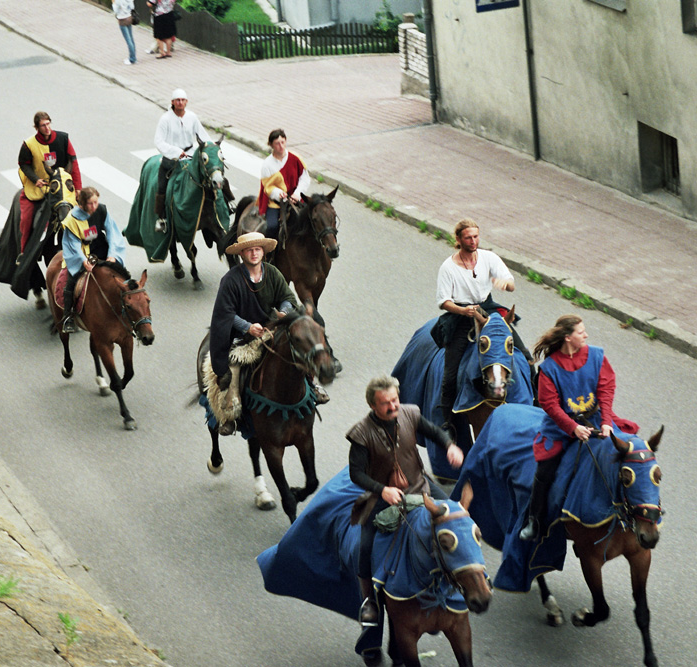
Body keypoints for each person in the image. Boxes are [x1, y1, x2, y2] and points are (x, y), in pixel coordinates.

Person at [347, 375, 464, 629]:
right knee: (364, 546)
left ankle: (465, 575)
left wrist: (449, 446)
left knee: (457, 516)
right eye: (385, 403)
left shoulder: (410, 414)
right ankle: (369, 601)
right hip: (383, 495)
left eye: (395, 400)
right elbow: (355, 474)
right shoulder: (361, 433)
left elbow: (433, 432)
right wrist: (383, 490)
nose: (393, 406)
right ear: (372, 406)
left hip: (420, 485)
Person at [209, 232, 332, 435]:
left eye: (257, 249)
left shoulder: (272, 273)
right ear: (241, 253)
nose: (254, 253)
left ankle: (312, 385)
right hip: (242, 335)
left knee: (298, 347)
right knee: (235, 367)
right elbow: (225, 313)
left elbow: (286, 296)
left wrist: (284, 309)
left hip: (270, 327)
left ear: (263, 252)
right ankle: (232, 413)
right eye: (249, 250)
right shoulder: (230, 280)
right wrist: (247, 326)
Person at [518, 315, 615, 541]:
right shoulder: (549, 368)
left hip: (596, 420)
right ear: (568, 338)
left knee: (630, 451)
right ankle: (535, 520)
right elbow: (549, 405)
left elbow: (606, 389)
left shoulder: (597, 356)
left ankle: (642, 506)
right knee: (545, 471)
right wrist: (573, 428)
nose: (586, 335)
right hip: (561, 428)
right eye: (581, 332)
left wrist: (607, 422)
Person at [434, 218, 530, 439]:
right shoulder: (448, 268)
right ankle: (448, 422)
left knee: (524, 356)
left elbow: (510, 282)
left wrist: (505, 284)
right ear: (458, 239)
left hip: (489, 311)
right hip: (461, 316)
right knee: (449, 374)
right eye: (468, 237)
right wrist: (462, 311)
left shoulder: (489, 258)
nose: (473, 241)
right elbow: (443, 302)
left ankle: (533, 401)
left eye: (476, 236)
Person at [58, 188, 128, 333]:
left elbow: (112, 232)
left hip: (101, 249)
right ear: (82, 204)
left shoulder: (101, 210)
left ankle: (128, 304)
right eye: (90, 204)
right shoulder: (72, 219)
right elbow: (73, 244)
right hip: (82, 253)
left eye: (96, 202)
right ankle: (68, 316)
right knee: (71, 281)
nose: (94, 207)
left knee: (122, 273)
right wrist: (83, 261)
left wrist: (112, 254)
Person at [17, 111, 82, 255]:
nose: (47, 128)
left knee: (85, 211)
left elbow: (74, 163)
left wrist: (78, 188)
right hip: (41, 185)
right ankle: (25, 252)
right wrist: (35, 179)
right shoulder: (28, 144)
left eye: (48, 124)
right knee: (27, 217)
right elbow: (23, 164)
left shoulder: (63, 138)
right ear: (36, 128)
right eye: (43, 126)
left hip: (64, 185)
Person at [153, 88, 211, 225]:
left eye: (182, 100)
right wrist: (175, 151)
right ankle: (161, 218)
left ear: (186, 102)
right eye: (177, 100)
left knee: (211, 175)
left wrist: (212, 147)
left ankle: (222, 205)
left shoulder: (192, 117)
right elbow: (158, 141)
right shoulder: (165, 119)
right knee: (162, 186)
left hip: (191, 157)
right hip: (171, 159)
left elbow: (203, 135)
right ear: (172, 102)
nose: (180, 103)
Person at [257, 129, 310, 240]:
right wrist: (279, 194)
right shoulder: (267, 164)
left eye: (283, 142)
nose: (281, 146)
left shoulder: (295, 158)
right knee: (272, 227)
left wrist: (297, 194)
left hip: (296, 199)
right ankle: (270, 254)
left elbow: (304, 178)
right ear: (271, 145)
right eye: (277, 143)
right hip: (276, 203)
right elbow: (267, 187)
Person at [113, 0, 137, 65]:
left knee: (128, 40)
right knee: (131, 38)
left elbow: (116, 11)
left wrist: (113, 3)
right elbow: (132, 7)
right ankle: (134, 56)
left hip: (122, 19)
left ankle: (132, 58)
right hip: (129, 17)